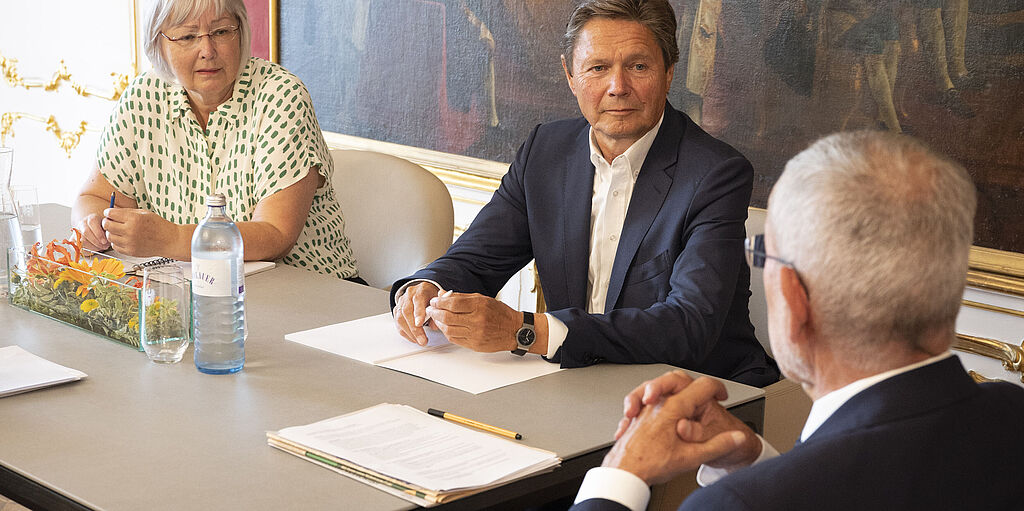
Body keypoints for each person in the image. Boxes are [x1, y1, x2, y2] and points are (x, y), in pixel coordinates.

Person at [570, 131, 1024, 510]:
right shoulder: (1011, 413)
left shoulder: (737, 507)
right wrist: (756, 464)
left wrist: (619, 476)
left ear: (793, 298)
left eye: (762, 254)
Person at [391, 0, 780, 387]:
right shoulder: (545, 151)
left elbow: (689, 325)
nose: (617, 87)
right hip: (583, 382)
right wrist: (428, 288)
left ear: (669, 72)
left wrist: (526, 331)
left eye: (638, 66)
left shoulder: (715, 174)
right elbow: (476, 261)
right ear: (570, 75)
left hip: (699, 389)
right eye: (597, 68)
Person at [72, 0, 361, 282]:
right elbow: (94, 197)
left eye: (221, 32)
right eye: (187, 36)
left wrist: (170, 238)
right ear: (159, 43)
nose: (207, 51)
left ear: (240, 32)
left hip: (313, 296)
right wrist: (93, 226)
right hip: (200, 292)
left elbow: (276, 235)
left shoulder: (282, 96)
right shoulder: (143, 96)